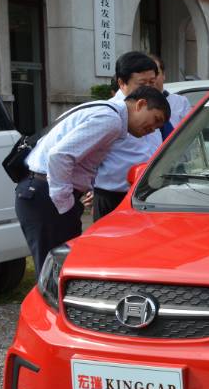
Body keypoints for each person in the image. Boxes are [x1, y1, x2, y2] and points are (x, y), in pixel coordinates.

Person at [15, 88, 169, 271]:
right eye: (155, 120)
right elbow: (59, 155)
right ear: (141, 104)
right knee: (56, 273)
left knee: (56, 270)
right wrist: (66, 205)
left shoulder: (103, 110)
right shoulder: (111, 120)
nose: (152, 129)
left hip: (39, 191)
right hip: (46, 195)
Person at [92, 52, 164, 221]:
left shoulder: (151, 106)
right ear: (122, 83)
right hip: (114, 197)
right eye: (142, 83)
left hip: (145, 196)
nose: (148, 88)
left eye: (152, 83)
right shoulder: (109, 115)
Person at [150, 54, 192, 139]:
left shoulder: (181, 102)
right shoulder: (137, 105)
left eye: (156, 73)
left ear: (164, 75)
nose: (152, 78)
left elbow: (190, 133)